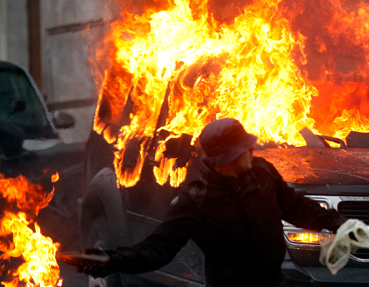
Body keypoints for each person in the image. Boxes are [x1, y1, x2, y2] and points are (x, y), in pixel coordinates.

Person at [77, 118, 348, 286]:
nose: (251, 152)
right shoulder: (197, 201)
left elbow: (295, 207)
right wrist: (108, 261)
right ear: (224, 161)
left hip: (274, 282)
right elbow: (158, 249)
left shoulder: (261, 173)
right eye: (244, 150)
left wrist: (339, 223)